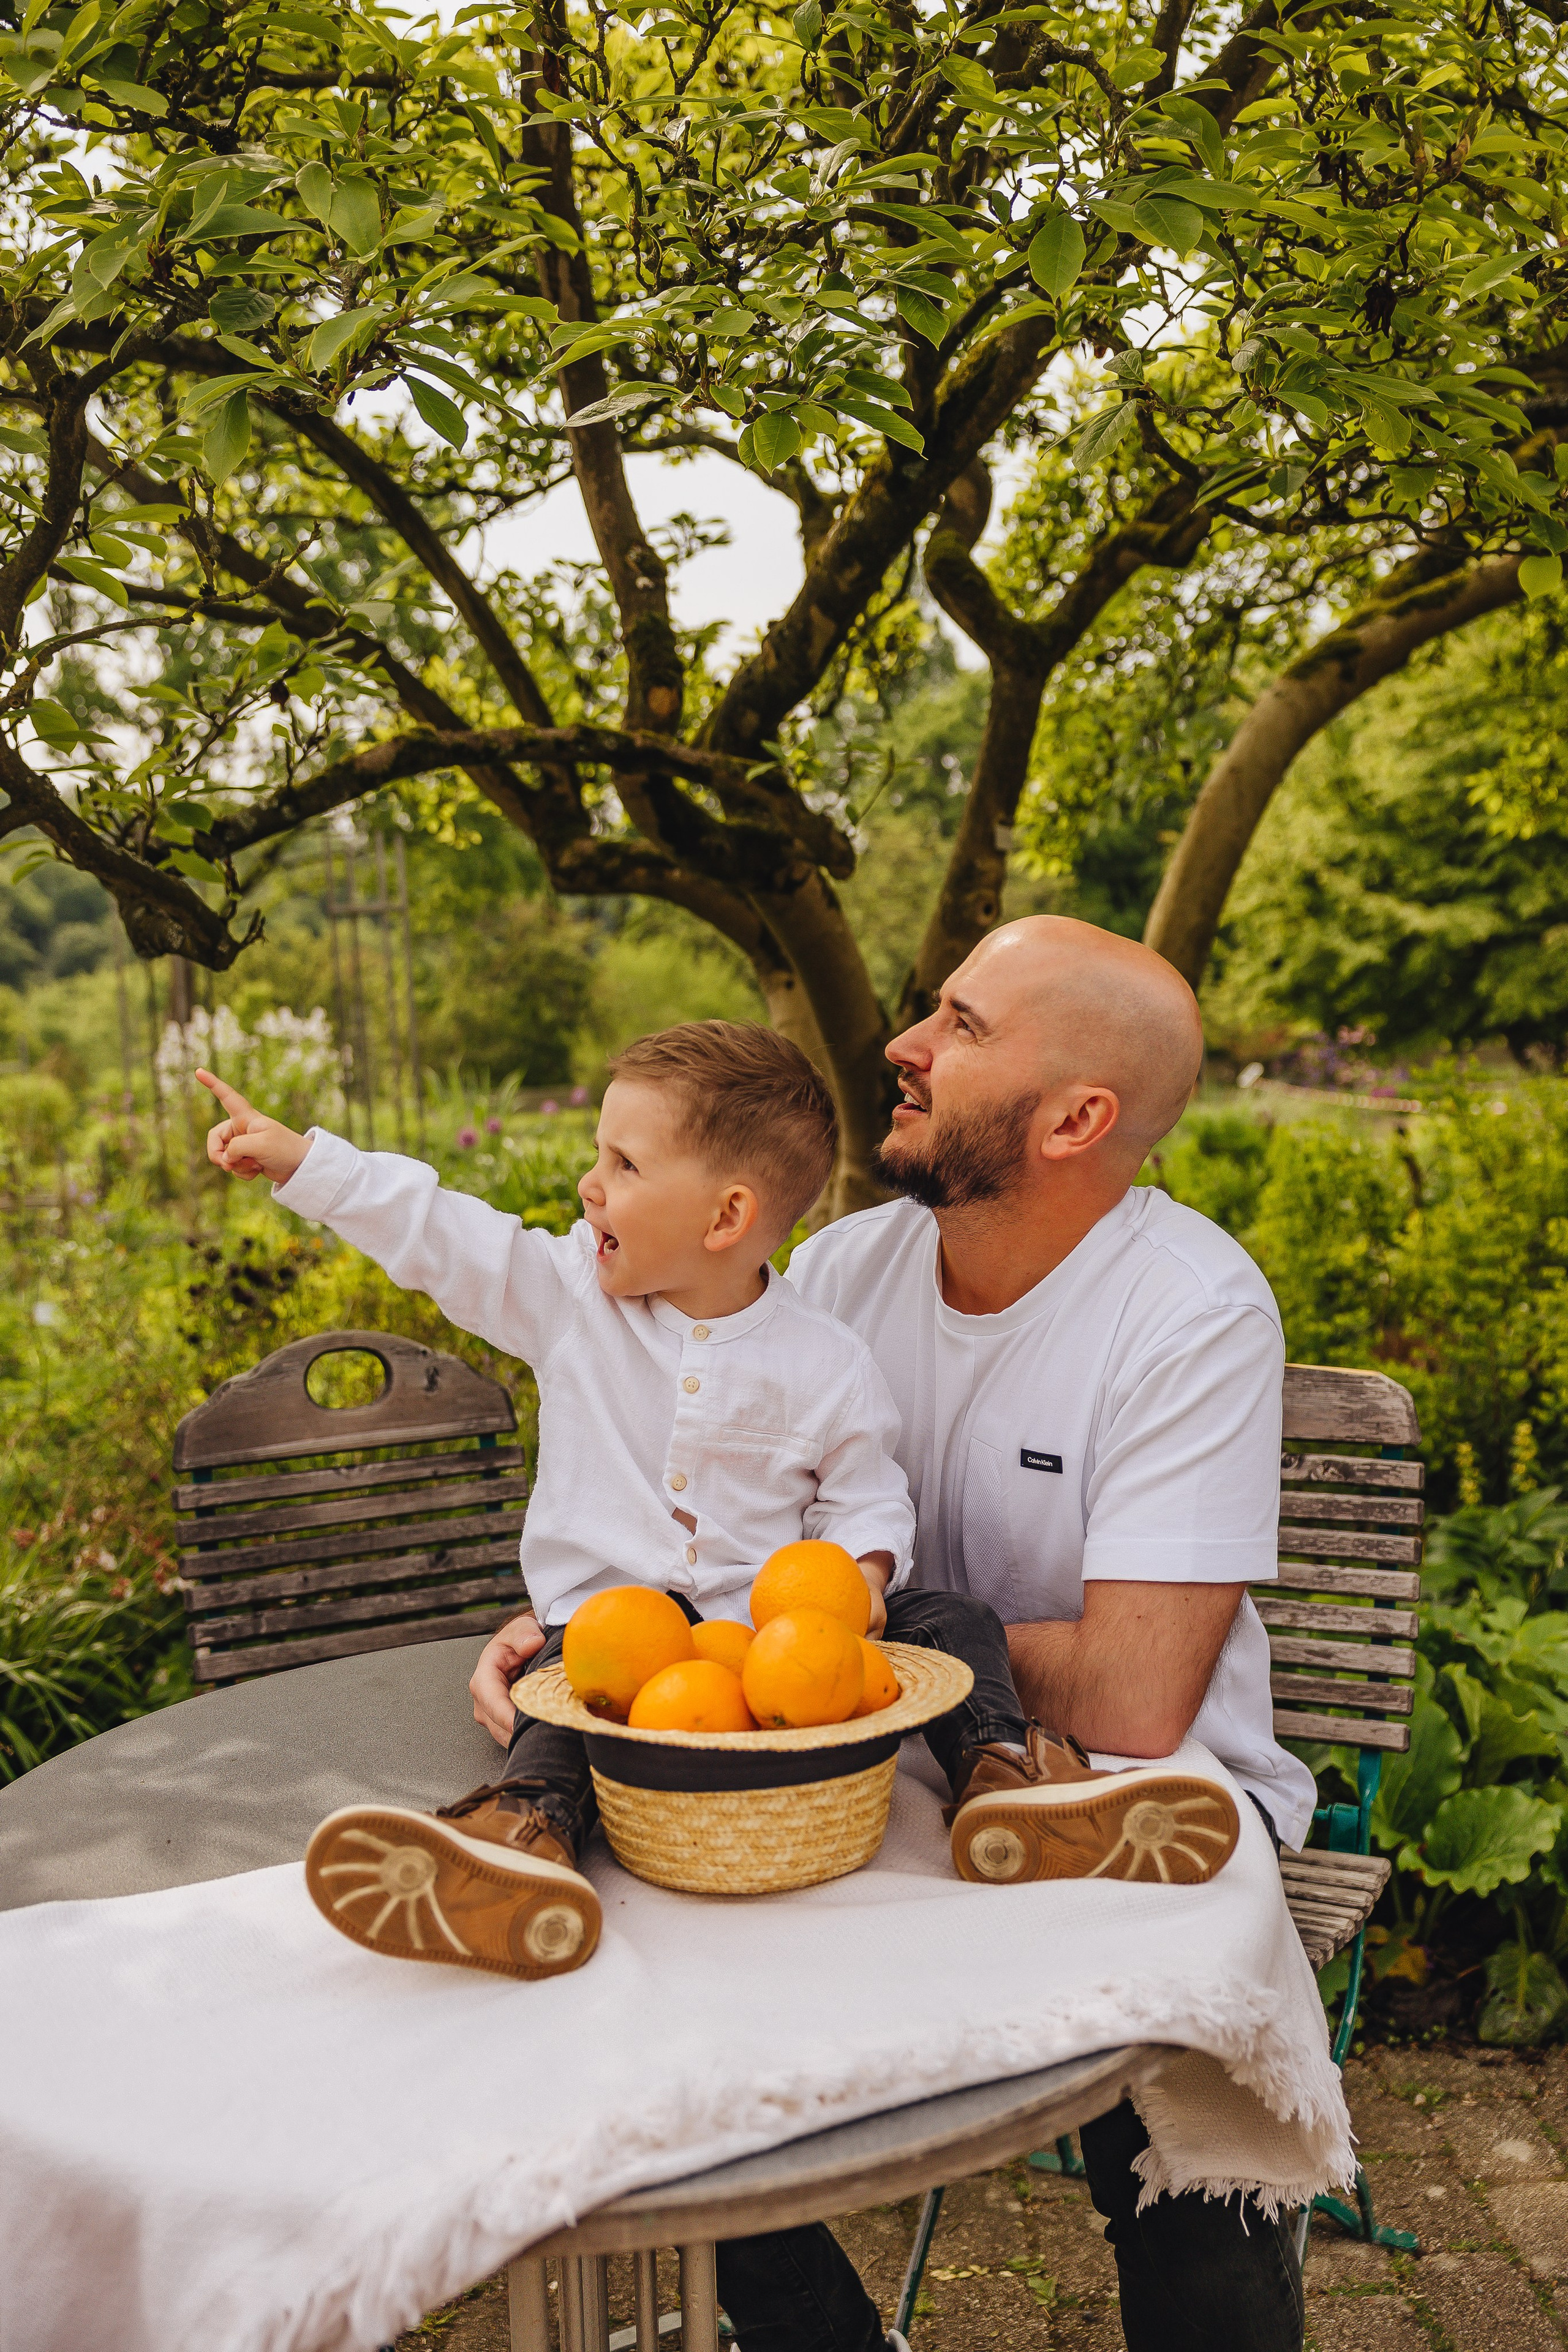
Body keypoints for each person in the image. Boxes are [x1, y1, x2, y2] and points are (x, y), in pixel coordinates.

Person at [462, 919, 1311, 2352]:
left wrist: (827, 1654)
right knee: (648, 2042)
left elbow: (1136, 1687)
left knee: (1182, 2146)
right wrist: (615, 1633)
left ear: (1075, 1120)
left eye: (961, 1027)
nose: (902, 1046)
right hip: (851, 1787)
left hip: (1119, 1799)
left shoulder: (1190, 1314)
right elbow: (709, 1522)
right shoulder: (842, 1272)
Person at [198, 1019, 1237, 1990]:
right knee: (563, 1696)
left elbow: (867, 1495)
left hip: (775, 1652)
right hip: (626, 1642)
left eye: (623, 1165)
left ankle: (1010, 1785)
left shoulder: (825, 1358)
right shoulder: (566, 1300)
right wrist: (304, 1163)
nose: (588, 1185)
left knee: (955, 1625)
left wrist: (863, 1580)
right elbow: (443, 1234)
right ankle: (522, 1841)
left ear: (727, 1216)